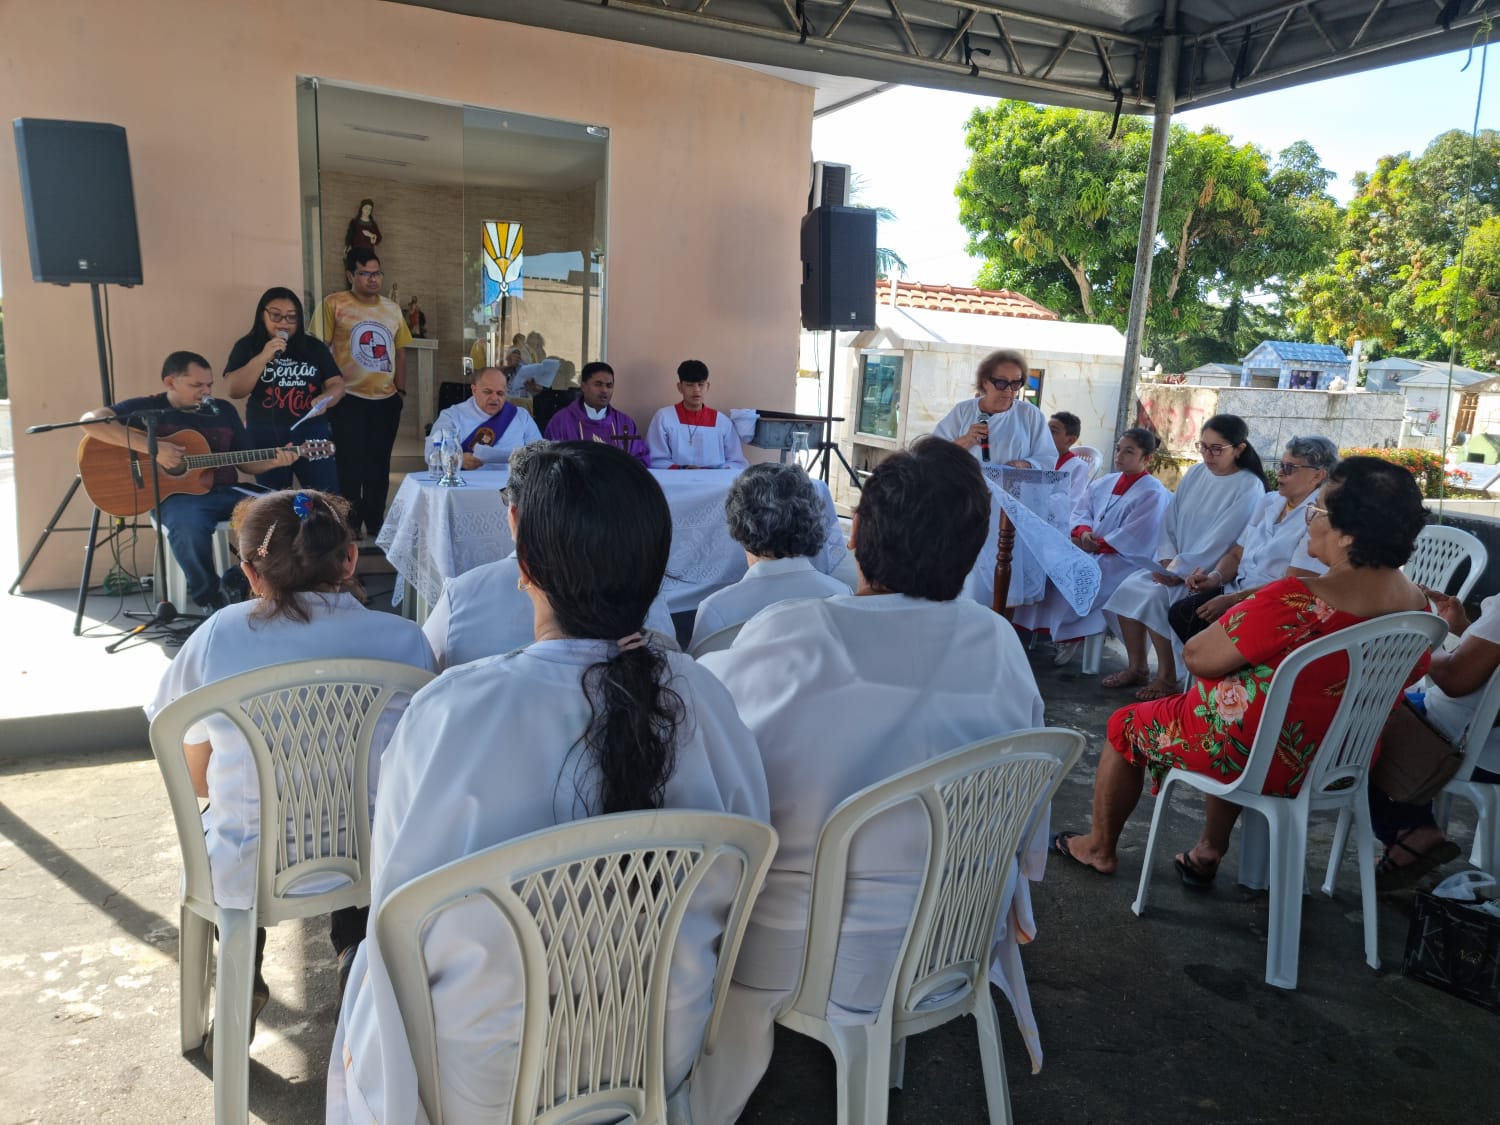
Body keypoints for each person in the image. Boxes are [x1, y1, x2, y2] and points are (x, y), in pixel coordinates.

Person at [327, 442, 769, 1124]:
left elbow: (396, 912)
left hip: (483, 1078)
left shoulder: (450, 712)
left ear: (523, 560)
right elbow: (744, 872)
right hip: (657, 1049)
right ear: (655, 565)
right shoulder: (704, 697)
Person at [689, 438, 1046, 1123]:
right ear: (973, 550)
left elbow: (708, 768)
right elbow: (1025, 806)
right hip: (955, 933)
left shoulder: (788, 633)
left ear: (853, 536)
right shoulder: (999, 641)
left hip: (800, 947)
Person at [146, 490, 435, 1056]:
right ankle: (355, 954)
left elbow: (193, 774)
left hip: (248, 866)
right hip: (375, 857)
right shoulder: (404, 640)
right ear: (349, 558)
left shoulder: (220, 635)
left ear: (251, 572)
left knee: (230, 818)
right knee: (366, 807)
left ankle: (241, 975)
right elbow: (416, 760)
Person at [1052, 456, 1432, 879]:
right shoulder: (1418, 606)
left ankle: (1099, 847)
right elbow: (1414, 672)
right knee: (1246, 708)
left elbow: (1197, 657)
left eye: (1318, 510)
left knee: (1128, 723)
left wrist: (1240, 611)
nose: (1309, 521)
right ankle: (1209, 847)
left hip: (1257, 757)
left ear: (1348, 535)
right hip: (1341, 762)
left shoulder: (1297, 599)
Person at [80, 351, 297, 611]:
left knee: (284, 511)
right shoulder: (148, 409)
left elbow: (246, 463)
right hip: (177, 498)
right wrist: (152, 448)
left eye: (209, 384)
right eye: (197, 385)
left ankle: (241, 580)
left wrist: (275, 461)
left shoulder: (223, 411)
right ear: (170, 382)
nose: (206, 391)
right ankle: (212, 597)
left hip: (227, 490)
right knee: (188, 523)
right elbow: (90, 422)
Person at [1101, 414, 1266, 700]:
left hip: (1206, 575)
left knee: (1155, 598)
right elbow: (1171, 520)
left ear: (1239, 449)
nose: (1207, 455)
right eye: (1203, 446)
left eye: (1217, 449)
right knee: (1127, 588)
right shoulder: (1196, 473)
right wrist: (1167, 560)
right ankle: (1137, 667)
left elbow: (1222, 540)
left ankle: (1168, 677)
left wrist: (1180, 572)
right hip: (1176, 566)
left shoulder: (1248, 486)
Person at [1369, 588, 1500, 889]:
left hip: (1462, 743)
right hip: (1486, 741)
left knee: (1356, 727)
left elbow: (1455, 680)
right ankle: (1411, 825)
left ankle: (1411, 831)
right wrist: (1462, 629)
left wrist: (1428, 640)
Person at [1013, 427, 1172, 665]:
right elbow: (1081, 510)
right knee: (1046, 567)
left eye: (1129, 451)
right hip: (1090, 548)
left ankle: (1070, 635)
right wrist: (1083, 532)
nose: (1119, 456)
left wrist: (1098, 544)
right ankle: (1041, 632)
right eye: (1118, 449)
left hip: (1123, 560)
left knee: (1080, 577)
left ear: (1147, 458)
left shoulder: (1153, 492)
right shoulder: (1106, 481)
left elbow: (1137, 535)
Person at [1167, 435, 1338, 644]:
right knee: (1181, 613)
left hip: (1273, 604)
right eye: (1281, 465)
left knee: (1194, 628)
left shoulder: (1318, 516)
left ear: (1317, 476)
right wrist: (1214, 578)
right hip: (1239, 590)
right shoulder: (1269, 501)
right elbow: (1237, 553)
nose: (1280, 472)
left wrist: (1233, 600)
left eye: (1290, 468)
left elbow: (1292, 586)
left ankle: (1222, 664)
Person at [687, 463, 849, 651]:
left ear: (740, 526)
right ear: (812, 519)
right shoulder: (841, 594)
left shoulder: (717, 610)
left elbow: (701, 668)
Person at [312, 248, 413, 539]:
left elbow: (400, 352)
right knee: (349, 464)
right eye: (365, 273)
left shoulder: (392, 309)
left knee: (379, 464)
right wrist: (326, 391)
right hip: (348, 399)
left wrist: (400, 391)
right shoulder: (334, 304)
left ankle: (376, 522)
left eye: (377, 273)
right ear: (350, 275)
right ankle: (350, 524)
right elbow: (318, 350)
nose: (373, 279)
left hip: (385, 400)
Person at [222, 287, 344, 491]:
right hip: (264, 431)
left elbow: (337, 384)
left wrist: (326, 398)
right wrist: (264, 356)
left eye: (291, 317)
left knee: (325, 494)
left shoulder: (313, 347)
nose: (283, 323)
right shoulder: (247, 346)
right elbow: (234, 390)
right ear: (262, 315)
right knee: (273, 498)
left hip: (310, 429)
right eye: (276, 316)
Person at [931, 348, 1053, 469]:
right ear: (985, 382)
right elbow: (934, 455)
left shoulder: (1030, 414)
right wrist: (966, 440)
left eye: (1015, 383)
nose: (1008, 389)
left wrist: (1025, 464)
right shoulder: (963, 411)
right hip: (967, 481)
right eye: (1001, 383)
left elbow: (1048, 458)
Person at [430, 366, 542, 469]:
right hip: (469, 482)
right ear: (474, 390)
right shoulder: (452, 416)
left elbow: (542, 452)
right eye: (487, 392)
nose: (494, 398)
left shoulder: (521, 416)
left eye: (500, 393)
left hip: (512, 481)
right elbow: (432, 454)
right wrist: (458, 459)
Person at [542, 360, 650, 466]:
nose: (604, 390)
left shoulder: (624, 423)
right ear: (583, 386)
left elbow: (640, 460)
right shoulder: (561, 422)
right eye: (598, 384)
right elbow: (549, 463)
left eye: (609, 386)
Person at [647, 359, 748, 470]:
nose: (696, 390)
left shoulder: (722, 422)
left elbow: (736, 462)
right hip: (677, 478)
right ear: (679, 387)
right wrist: (683, 468)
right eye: (689, 385)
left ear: (707, 386)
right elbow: (655, 460)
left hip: (714, 479)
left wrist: (716, 472)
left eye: (701, 384)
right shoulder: (664, 417)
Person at [1048, 410, 1092, 511]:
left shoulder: (1078, 467)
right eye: (1045, 430)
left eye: (1053, 431)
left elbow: (1073, 502)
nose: (1045, 434)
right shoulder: (1039, 460)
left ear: (1070, 440)